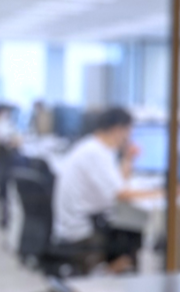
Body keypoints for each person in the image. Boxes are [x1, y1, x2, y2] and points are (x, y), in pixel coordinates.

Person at [52, 106, 154, 271]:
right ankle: (107, 274)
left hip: (77, 225)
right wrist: (167, 191)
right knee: (134, 235)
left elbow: (119, 183)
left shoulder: (93, 147)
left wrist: (129, 158)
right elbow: (122, 194)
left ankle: (111, 273)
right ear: (118, 129)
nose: (129, 137)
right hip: (82, 233)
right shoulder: (97, 153)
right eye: (129, 131)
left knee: (130, 227)